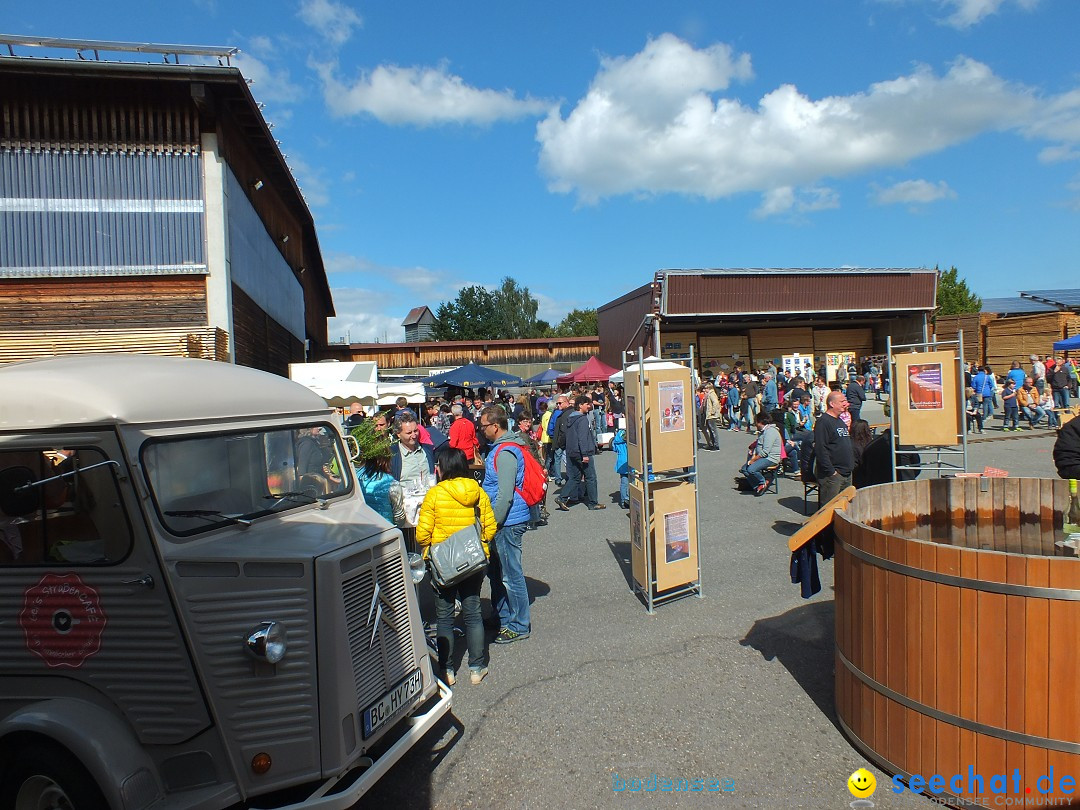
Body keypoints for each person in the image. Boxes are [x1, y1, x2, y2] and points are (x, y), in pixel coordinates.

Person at [416, 447, 497, 686]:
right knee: (473, 613)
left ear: (442, 468)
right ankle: (476, 667)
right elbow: (490, 527)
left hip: (443, 564)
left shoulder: (434, 494)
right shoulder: (477, 491)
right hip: (472, 561)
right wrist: (479, 543)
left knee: (444, 617)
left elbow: (422, 536)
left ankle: (447, 670)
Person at [478, 406, 532, 644]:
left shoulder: (506, 452)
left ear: (495, 426)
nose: (481, 430)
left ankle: (520, 624)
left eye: (483, 426)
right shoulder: (500, 449)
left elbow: (505, 495)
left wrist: (493, 523)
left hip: (507, 521)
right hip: (503, 520)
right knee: (496, 571)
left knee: (511, 574)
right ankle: (502, 615)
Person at [352, 419, 407, 526]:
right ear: (386, 456)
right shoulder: (392, 484)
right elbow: (399, 518)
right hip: (384, 531)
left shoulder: (353, 478)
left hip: (362, 530)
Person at [556, 395, 605, 510]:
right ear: (580, 405)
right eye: (587, 404)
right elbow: (582, 438)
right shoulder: (582, 419)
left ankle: (562, 498)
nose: (589, 406)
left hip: (571, 452)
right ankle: (593, 503)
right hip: (582, 452)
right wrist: (585, 454)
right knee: (591, 477)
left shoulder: (570, 418)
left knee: (575, 478)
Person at [814, 390, 854, 507]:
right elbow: (821, 449)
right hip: (833, 475)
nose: (845, 404)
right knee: (829, 508)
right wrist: (831, 472)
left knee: (845, 508)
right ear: (832, 404)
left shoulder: (840, 421)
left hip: (846, 473)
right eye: (842, 401)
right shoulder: (823, 422)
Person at [739, 412, 782, 496]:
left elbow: (765, 452)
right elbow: (758, 445)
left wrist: (753, 460)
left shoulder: (770, 432)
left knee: (751, 469)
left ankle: (762, 482)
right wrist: (753, 452)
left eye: (755, 422)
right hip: (762, 457)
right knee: (744, 469)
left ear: (760, 422)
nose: (755, 424)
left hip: (770, 458)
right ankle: (758, 486)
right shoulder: (763, 431)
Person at [390, 412, 435, 485]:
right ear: (398, 434)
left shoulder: (427, 450)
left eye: (415, 431)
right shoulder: (392, 454)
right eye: (409, 433)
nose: (414, 436)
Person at [613, 427, 629, 509]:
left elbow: (614, 449)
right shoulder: (628, 440)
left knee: (624, 483)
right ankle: (630, 498)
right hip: (629, 461)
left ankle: (623, 501)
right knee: (632, 482)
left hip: (620, 462)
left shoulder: (616, 439)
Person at [702, 382, 722, 450]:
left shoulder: (711, 394)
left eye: (705, 388)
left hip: (711, 416)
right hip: (709, 415)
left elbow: (716, 403)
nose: (704, 390)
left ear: (708, 388)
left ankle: (716, 445)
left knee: (713, 430)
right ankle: (712, 444)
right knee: (710, 430)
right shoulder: (709, 394)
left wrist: (712, 412)